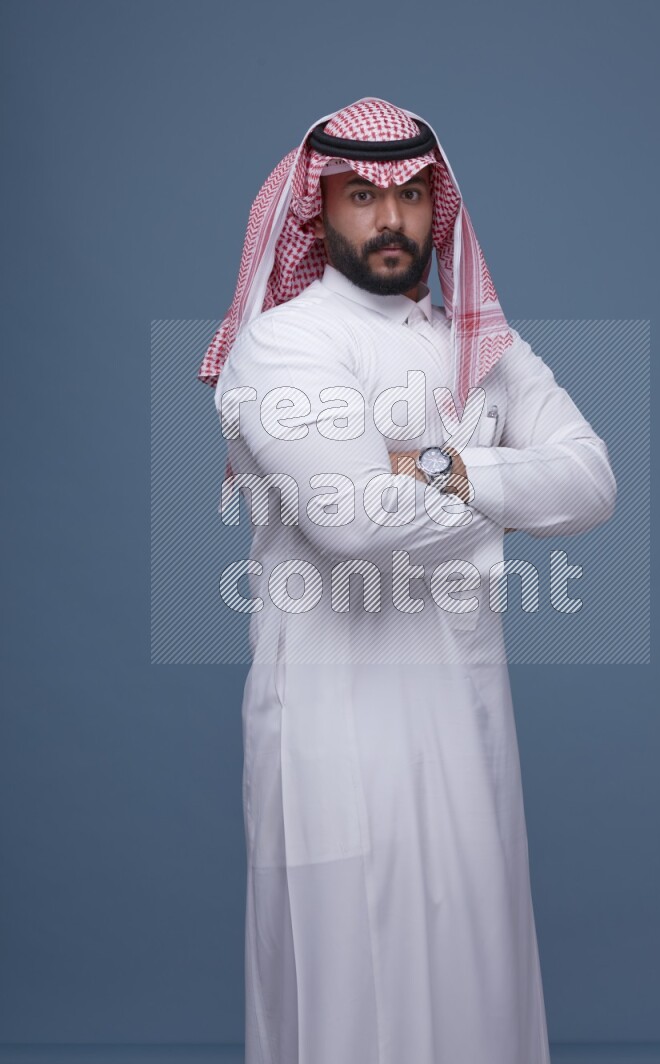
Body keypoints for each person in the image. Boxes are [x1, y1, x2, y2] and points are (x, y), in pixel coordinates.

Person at [199, 97, 616, 1064]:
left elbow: (593, 481)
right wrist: (501, 482)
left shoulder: (484, 349)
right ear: (317, 213)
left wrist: (432, 466)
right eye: (360, 197)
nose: (390, 221)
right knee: (351, 996)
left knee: (480, 988)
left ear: (440, 206)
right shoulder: (285, 345)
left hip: (468, 724)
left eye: (412, 197)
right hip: (336, 728)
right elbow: (350, 524)